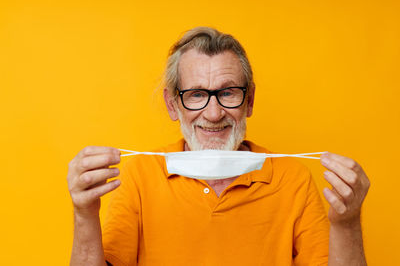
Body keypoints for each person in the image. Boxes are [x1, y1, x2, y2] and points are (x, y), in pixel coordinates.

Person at [67, 27, 370, 266]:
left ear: (249, 100)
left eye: (227, 93)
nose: (213, 114)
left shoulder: (293, 180)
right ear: (173, 105)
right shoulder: (140, 176)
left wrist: (347, 223)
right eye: (197, 94)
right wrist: (84, 215)